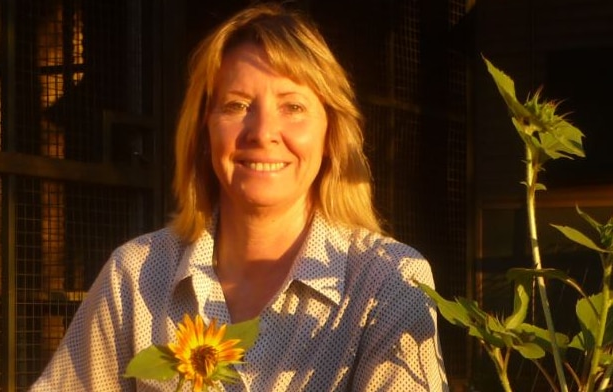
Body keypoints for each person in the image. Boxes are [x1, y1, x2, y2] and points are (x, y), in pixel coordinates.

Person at [30, 3, 448, 391]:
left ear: (331, 134)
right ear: (202, 132)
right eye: (236, 105)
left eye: (293, 107)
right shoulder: (135, 276)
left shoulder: (388, 282)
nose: (262, 132)